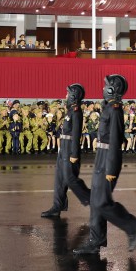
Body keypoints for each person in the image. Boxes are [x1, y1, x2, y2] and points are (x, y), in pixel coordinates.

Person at [73, 75, 136, 255]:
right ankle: (95, 241)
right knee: (96, 202)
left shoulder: (115, 109)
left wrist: (111, 168)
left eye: (106, 86)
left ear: (113, 89)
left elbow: (115, 139)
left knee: (102, 202)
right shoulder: (108, 107)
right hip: (101, 156)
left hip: (108, 158)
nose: (103, 88)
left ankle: (131, 225)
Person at [41, 84, 91, 218]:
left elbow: (76, 134)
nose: (66, 96)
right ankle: (57, 206)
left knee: (70, 180)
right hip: (64, 146)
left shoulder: (76, 112)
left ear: (74, 96)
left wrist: (74, 154)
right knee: (59, 179)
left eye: (68, 94)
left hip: (70, 148)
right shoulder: (70, 111)